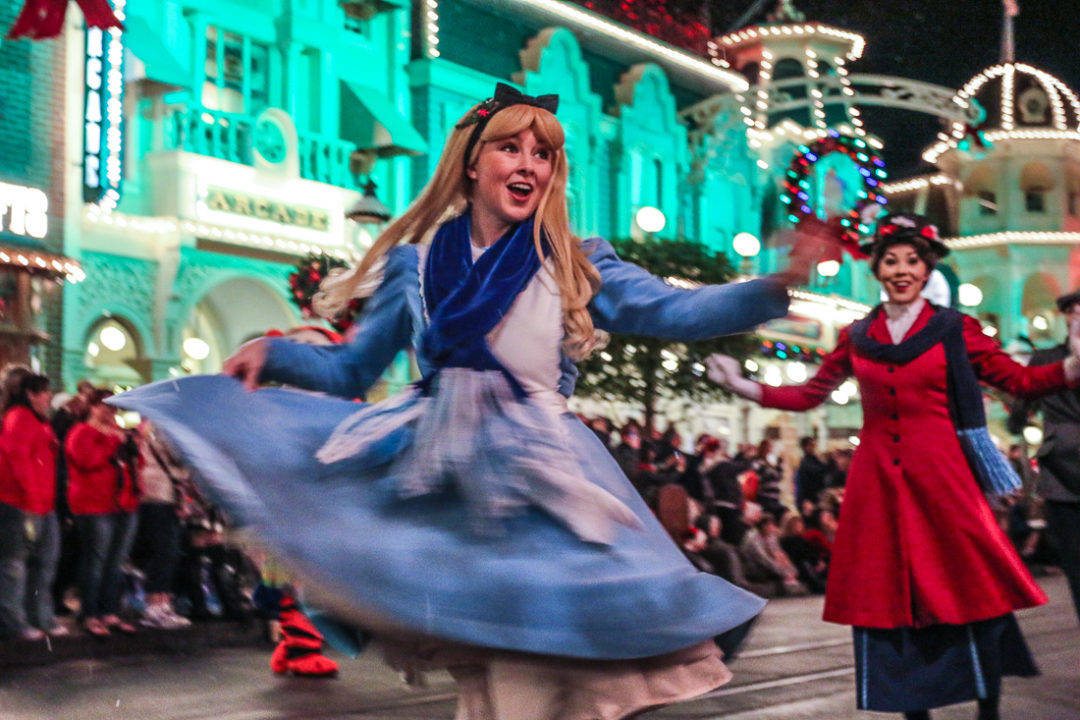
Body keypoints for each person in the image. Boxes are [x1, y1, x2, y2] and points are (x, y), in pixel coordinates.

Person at [109, 82, 831, 719]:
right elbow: (351, 367)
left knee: (540, 664)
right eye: (510, 148)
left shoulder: (574, 260)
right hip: (441, 473)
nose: (528, 165)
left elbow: (674, 311)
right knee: (496, 673)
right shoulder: (416, 265)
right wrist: (275, 354)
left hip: (539, 476)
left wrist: (776, 286)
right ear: (472, 163)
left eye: (542, 154)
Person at [708, 212, 1080, 720]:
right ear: (877, 269)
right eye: (891, 261)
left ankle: (987, 709)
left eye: (912, 261)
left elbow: (1019, 380)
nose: (902, 270)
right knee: (890, 595)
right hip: (878, 483)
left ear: (927, 270)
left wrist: (1072, 365)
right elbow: (809, 394)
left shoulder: (954, 328)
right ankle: (912, 709)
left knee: (969, 585)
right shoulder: (858, 334)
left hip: (944, 480)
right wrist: (743, 385)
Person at [1008, 289, 1080, 624]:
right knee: (1075, 562)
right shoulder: (1046, 359)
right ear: (1065, 317)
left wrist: (1019, 421)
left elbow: (1020, 409)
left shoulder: (1045, 358)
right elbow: (1022, 403)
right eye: (1074, 312)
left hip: (1060, 467)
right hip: (1062, 475)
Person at [66, 388, 141, 637]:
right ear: (92, 407)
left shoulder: (118, 432)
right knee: (95, 561)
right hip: (94, 505)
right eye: (105, 406)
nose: (110, 412)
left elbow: (136, 463)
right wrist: (112, 441)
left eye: (113, 407)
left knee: (116, 562)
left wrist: (132, 445)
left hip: (123, 504)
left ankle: (109, 612)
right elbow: (87, 460)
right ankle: (89, 614)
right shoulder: (81, 432)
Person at [0, 367, 66, 640]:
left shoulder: (40, 420)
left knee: (45, 562)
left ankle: (40, 616)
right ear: (30, 394)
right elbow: (19, 459)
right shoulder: (19, 417)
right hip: (21, 503)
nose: (50, 396)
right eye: (45, 392)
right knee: (14, 565)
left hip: (42, 504)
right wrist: (30, 496)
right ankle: (14, 622)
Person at [793, 436, 827, 510]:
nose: (813, 447)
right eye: (811, 445)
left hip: (817, 496)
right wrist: (803, 501)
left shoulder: (815, 460)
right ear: (804, 447)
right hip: (810, 498)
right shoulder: (805, 463)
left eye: (813, 445)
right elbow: (802, 484)